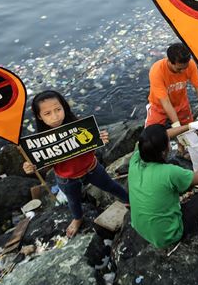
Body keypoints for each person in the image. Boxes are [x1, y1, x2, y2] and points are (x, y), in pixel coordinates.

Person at [22, 90, 129, 238]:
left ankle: (129, 200)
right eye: (47, 113)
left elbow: (90, 143)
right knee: (73, 201)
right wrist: (33, 166)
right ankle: (78, 218)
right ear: (40, 117)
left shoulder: (79, 126)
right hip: (67, 178)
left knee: (111, 186)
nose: (55, 116)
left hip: (92, 168)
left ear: (64, 108)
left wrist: (99, 139)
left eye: (58, 109)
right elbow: (46, 166)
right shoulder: (40, 142)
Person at [128, 120, 198, 248]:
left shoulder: (135, 159)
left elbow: (161, 137)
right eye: (168, 142)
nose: (170, 142)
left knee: (175, 170)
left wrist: (190, 126)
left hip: (141, 227)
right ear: (164, 151)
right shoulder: (169, 172)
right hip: (169, 234)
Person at [145, 43, 198, 128]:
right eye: (179, 69)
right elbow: (165, 102)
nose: (182, 71)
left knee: (189, 130)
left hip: (181, 105)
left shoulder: (190, 65)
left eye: (185, 68)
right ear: (169, 61)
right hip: (159, 107)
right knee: (151, 134)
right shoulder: (157, 71)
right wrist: (176, 124)